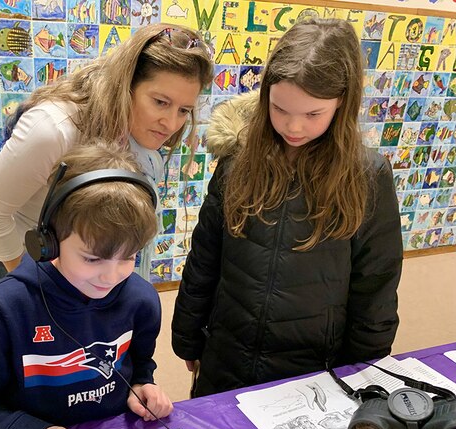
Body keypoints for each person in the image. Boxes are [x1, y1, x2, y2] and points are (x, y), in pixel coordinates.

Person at [171, 18, 403, 397]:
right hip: (225, 360)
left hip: (312, 376)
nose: (293, 127)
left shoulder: (368, 175)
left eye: (313, 114)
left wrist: (362, 371)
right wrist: (188, 337)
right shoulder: (237, 160)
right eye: (280, 110)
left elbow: (375, 288)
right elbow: (205, 256)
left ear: (342, 104)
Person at [0, 142, 173, 429]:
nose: (111, 275)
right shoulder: (6, 308)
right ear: (49, 241)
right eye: (92, 258)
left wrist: (141, 384)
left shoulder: (141, 300)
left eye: (129, 256)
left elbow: (139, 361)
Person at [0, 24, 214, 285]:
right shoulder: (53, 130)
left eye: (184, 110)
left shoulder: (141, 131)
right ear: (125, 85)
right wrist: (27, 288)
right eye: (161, 102)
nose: (171, 124)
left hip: (75, 247)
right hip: (14, 241)